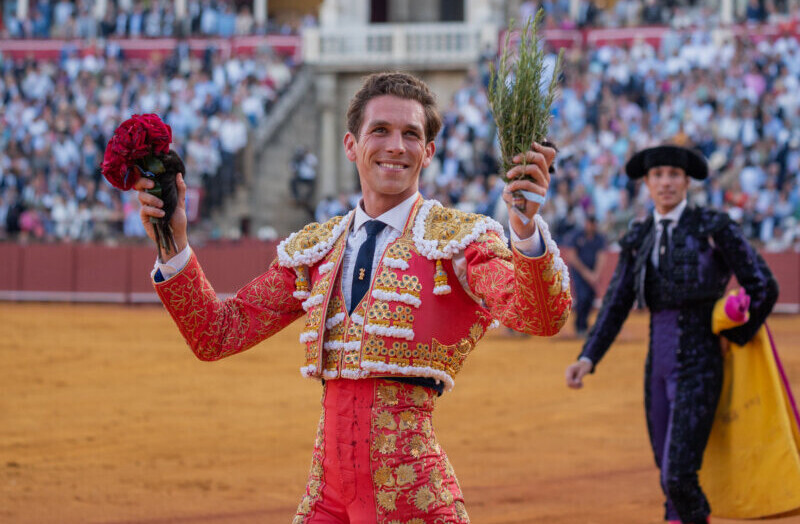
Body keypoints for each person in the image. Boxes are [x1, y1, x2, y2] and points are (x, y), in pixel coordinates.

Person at [136, 72, 572, 523]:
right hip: (326, 497)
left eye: (411, 135)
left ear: (429, 151)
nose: (396, 146)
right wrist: (173, 244)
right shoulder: (318, 249)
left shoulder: (459, 242)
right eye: (380, 130)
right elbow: (217, 333)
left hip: (412, 497)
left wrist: (524, 230)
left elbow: (540, 317)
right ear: (351, 145)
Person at [564, 144, 779, 524]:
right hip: (658, 365)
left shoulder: (713, 227)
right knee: (667, 474)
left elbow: (764, 286)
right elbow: (616, 302)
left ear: (687, 181)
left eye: (674, 175)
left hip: (701, 362)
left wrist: (735, 336)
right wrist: (588, 356)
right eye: (658, 175)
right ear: (647, 183)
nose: (666, 183)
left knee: (678, 476)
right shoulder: (639, 236)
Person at [563, 215, 606, 337]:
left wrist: (596, 274)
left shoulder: (599, 238)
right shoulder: (577, 236)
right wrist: (586, 273)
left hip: (592, 273)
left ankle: (584, 325)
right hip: (579, 273)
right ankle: (580, 326)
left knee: (590, 298)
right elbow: (572, 256)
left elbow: (601, 256)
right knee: (582, 297)